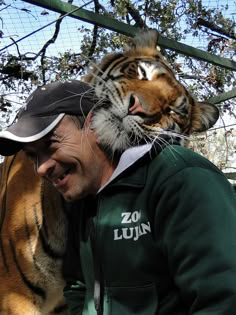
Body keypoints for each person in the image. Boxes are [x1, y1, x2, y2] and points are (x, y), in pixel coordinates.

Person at [0, 79, 236, 315]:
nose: (41, 169)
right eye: (33, 156)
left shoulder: (182, 179)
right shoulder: (82, 198)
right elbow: (77, 285)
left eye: (51, 143)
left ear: (94, 124)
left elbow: (224, 300)